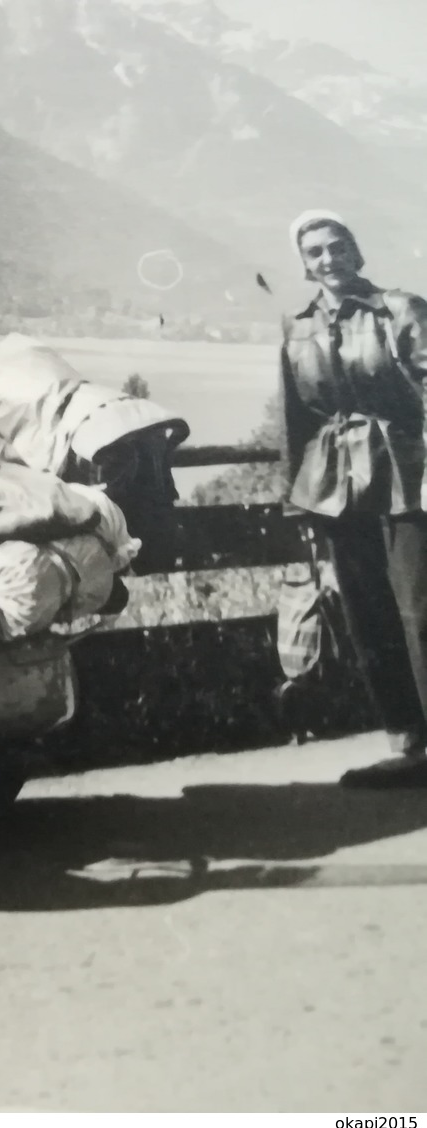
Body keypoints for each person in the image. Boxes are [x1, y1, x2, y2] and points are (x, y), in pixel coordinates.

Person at [278, 209, 427, 787]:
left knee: (420, 612)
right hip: (335, 485)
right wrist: (300, 501)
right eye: (315, 252)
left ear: (356, 252)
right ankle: (407, 745)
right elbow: (298, 421)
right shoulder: (296, 327)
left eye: (338, 247)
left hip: (408, 476)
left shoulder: (401, 309)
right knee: (367, 616)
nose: (328, 258)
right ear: (305, 264)